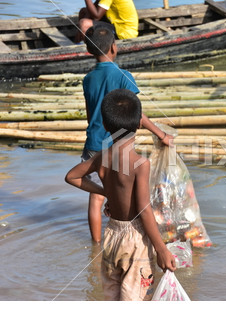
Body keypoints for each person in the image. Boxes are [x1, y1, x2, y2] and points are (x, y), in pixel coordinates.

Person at [65, 88, 177, 301]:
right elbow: (144, 209)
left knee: (113, 299)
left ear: (106, 126)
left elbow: (72, 176)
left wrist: (104, 191)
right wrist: (161, 248)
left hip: (112, 236)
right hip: (135, 241)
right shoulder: (140, 164)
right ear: (139, 124)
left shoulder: (102, 157)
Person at [82, 26, 172, 243]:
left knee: (96, 197)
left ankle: (97, 245)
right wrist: (161, 134)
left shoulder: (88, 79)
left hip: (94, 141)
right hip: (118, 143)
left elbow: (89, 114)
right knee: (128, 194)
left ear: (89, 50)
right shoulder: (123, 76)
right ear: (114, 47)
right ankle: (128, 236)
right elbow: (137, 114)